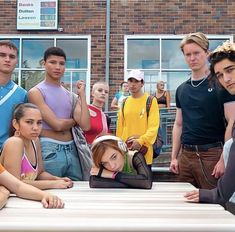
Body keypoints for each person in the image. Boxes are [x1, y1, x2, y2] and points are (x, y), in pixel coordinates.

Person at [170, 32, 235, 189]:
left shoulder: (222, 84)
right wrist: (174, 157)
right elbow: (179, 124)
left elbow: (232, 122)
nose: (192, 58)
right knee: (184, 202)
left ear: (207, 53)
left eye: (197, 53)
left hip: (212, 154)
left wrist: (224, 159)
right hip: (185, 156)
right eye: (188, 54)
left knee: (215, 204)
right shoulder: (181, 89)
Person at [185, 41, 235, 212]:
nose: (226, 79)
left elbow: (221, 195)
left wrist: (214, 195)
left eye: (230, 70)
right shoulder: (182, 89)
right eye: (220, 75)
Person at [28, 47, 90, 181]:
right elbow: (57, 125)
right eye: (52, 62)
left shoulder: (70, 95)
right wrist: (74, 120)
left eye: (61, 63)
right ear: (43, 64)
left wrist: (82, 96)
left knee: (78, 194)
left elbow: (85, 125)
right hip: (49, 149)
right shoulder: (36, 92)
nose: (57, 67)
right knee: (52, 194)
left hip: (73, 149)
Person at [0, 103, 73, 190]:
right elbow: (14, 184)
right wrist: (53, 184)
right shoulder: (14, 143)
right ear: (16, 124)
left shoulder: (35, 141)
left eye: (39, 123)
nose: (35, 127)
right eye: (29, 122)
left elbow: (40, 174)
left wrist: (56, 179)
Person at [116, 69, 160, 167]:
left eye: (136, 81)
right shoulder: (124, 102)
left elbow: (153, 128)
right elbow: (120, 128)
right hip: (126, 153)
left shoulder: (150, 100)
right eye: (130, 81)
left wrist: (140, 141)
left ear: (142, 83)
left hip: (144, 153)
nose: (133, 84)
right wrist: (119, 146)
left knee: (143, 181)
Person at [0, 40, 27, 150]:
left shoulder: (22, 94)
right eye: (2, 55)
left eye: (12, 56)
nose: (7, 59)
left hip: (7, 152)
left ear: (16, 62)